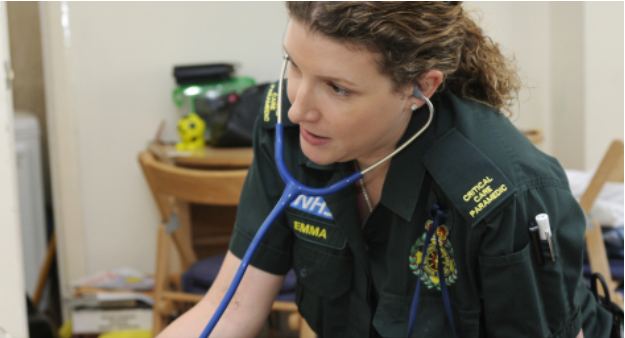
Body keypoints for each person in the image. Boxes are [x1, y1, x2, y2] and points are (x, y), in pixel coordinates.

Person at [158, 2, 613, 337]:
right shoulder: (287, 138)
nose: (298, 110)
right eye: (294, 67)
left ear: (420, 88)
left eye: (337, 88)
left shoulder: (506, 194)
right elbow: (230, 307)